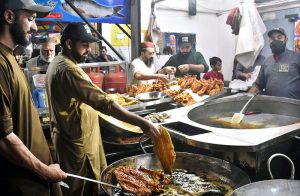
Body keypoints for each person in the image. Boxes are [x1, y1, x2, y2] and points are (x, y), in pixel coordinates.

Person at [46, 23, 160, 196]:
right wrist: (141, 123)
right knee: (82, 190)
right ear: (69, 44)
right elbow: (104, 103)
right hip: (78, 144)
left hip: (76, 137)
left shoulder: (60, 62)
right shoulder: (67, 69)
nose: (88, 50)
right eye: (84, 45)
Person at [0, 0, 67, 195]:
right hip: (22, 183)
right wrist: (44, 170)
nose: (35, 27)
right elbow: (3, 139)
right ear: (9, 16)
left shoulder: (10, 57)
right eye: (30, 19)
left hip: (34, 179)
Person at [248, 27, 300, 99]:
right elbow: (257, 85)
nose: (275, 40)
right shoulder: (266, 62)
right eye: (272, 38)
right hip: (271, 107)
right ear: (269, 41)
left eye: (279, 38)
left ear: (286, 40)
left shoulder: (297, 57)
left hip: (292, 107)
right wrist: (245, 99)